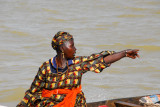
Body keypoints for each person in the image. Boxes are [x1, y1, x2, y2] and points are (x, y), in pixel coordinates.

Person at [17, 31, 139, 107]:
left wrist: (124, 53)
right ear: (62, 48)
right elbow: (32, 92)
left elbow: (101, 60)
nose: (75, 49)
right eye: (72, 46)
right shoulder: (46, 68)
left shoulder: (77, 64)